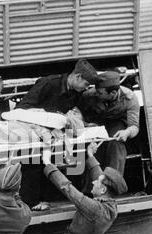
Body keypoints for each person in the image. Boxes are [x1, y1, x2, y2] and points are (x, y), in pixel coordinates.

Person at [15, 58, 100, 211]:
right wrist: (51, 117)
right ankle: (30, 203)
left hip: (52, 133)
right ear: (78, 77)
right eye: (86, 84)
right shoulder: (48, 83)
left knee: (76, 152)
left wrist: (86, 127)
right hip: (30, 129)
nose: (86, 88)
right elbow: (22, 108)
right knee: (33, 163)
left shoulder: (76, 92)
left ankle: (78, 195)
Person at [78, 71, 140, 175]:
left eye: (100, 93)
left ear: (113, 93)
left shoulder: (130, 98)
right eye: (96, 91)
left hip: (116, 123)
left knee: (116, 144)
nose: (96, 94)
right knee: (92, 148)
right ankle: (91, 188)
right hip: (95, 123)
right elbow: (77, 114)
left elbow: (134, 126)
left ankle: (113, 183)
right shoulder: (89, 95)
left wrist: (127, 132)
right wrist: (86, 125)